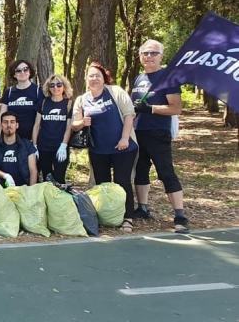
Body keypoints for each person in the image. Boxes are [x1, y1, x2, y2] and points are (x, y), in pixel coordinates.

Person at [130, 39, 189, 233]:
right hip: (138, 133)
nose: (149, 56)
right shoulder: (139, 78)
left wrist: (151, 108)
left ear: (161, 56)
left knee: (165, 172)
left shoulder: (168, 78)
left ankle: (180, 215)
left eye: (153, 53)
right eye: (145, 53)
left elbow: (176, 108)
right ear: (140, 57)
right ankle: (143, 208)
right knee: (140, 171)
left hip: (158, 133)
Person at [71, 62, 138, 232]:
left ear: (104, 78)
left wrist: (124, 139)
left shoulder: (115, 92)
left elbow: (129, 115)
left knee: (122, 182)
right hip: (98, 149)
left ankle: (127, 217)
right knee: (102, 184)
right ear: (86, 79)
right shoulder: (82, 99)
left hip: (122, 147)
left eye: (97, 76)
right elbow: (74, 125)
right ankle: (107, 215)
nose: (94, 79)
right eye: (91, 76)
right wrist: (82, 122)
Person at [32, 73, 73, 184]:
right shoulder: (44, 102)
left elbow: (69, 127)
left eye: (59, 85)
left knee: (59, 178)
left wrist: (64, 145)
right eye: (52, 85)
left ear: (64, 86)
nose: (56, 88)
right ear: (48, 88)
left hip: (60, 147)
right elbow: (36, 125)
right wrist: (34, 145)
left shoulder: (69, 104)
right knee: (47, 178)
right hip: (43, 146)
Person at [0, 112, 38, 187]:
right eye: (5, 122)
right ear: (1, 125)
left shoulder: (27, 145)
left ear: (17, 125)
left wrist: (31, 191)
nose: (9, 125)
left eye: (12, 122)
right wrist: (6, 176)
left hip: (23, 187)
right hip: (1, 187)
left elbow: (33, 171)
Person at [0, 59, 41, 141]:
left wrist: (34, 142)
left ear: (30, 71)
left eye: (25, 69)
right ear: (14, 74)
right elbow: (1, 117)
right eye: (18, 70)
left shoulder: (38, 91)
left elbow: (39, 121)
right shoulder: (9, 92)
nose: (22, 72)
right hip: (11, 139)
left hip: (31, 139)